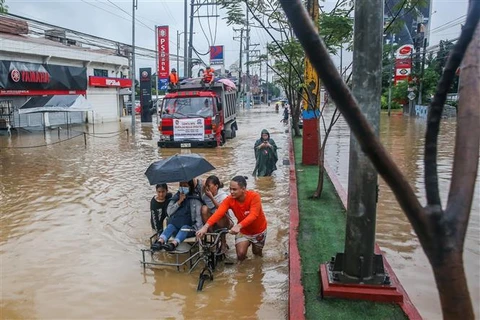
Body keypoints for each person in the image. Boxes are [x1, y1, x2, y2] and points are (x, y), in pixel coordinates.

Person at [196, 176, 268, 262]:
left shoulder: (254, 196)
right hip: (243, 231)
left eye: (234, 189)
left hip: (258, 230)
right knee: (240, 255)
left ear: (243, 189)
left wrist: (239, 225)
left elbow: (253, 215)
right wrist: (206, 226)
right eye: (230, 189)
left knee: (257, 254)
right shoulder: (230, 199)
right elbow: (219, 212)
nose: (231, 192)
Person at [157, 180, 200, 251]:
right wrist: (179, 202)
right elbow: (169, 212)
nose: (183, 188)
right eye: (181, 186)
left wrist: (199, 230)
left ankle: (173, 244)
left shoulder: (195, 199)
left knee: (184, 228)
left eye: (185, 186)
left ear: (190, 187)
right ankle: (160, 242)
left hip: (189, 228)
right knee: (170, 226)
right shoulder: (176, 197)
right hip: (176, 226)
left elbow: (199, 217)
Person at [201, 175, 234, 254]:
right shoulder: (205, 196)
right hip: (212, 223)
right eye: (206, 186)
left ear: (216, 186)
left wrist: (212, 198)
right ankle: (215, 238)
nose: (207, 188)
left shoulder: (223, 196)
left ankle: (223, 242)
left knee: (218, 213)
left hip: (225, 221)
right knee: (204, 208)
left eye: (209, 186)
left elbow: (222, 210)